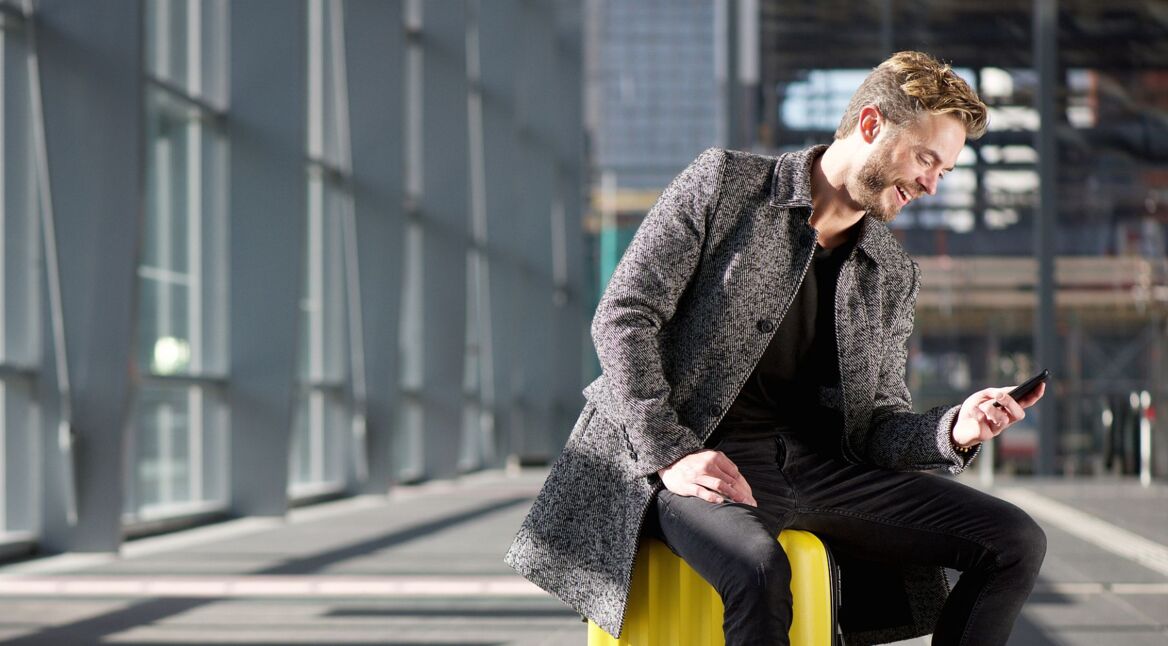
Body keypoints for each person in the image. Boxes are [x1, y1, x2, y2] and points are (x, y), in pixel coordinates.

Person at [505, 51, 1047, 646]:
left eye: (943, 170)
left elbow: (878, 426)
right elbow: (624, 316)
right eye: (925, 158)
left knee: (1014, 540)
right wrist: (671, 453)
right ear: (871, 125)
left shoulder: (890, 271)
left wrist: (955, 430)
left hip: (821, 469)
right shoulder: (724, 186)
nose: (931, 183)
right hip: (698, 455)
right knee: (759, 570)